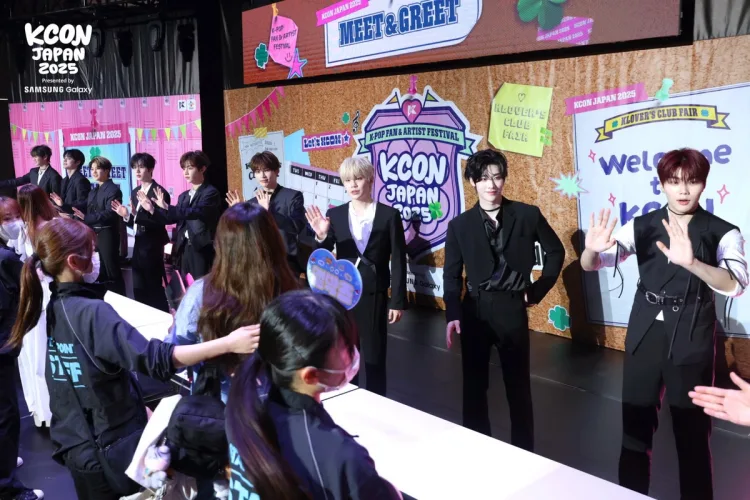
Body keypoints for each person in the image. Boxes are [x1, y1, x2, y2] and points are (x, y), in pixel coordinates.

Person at [6, 217, 260, 500]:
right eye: (92, 250)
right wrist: (228, 343)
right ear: (74, 262)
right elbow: (158, 361)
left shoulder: (58, 305)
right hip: (104, 448)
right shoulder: (91, 313)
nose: (97, 256)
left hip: (78, 443)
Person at [580, 148, 748, 499]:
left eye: (692, 181)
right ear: (662, 184)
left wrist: (693, 264)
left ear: (704, 184)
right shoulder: (642, 224)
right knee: (634, 430)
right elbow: (594, 263)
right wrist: (591, 250)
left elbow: (736, 284)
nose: (683, 190)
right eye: (674, 181)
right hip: (645, 332)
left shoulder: (723, 231)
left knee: (692, 437)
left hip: (692, 334)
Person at [226, 290, 402, 500]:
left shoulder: (241, 403)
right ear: (310, 375)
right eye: (346, 347)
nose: (354, 353)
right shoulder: (340, 456)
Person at [443, 149, 564, 452]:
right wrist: (453, 313)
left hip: (513, 307)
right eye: (484, 178)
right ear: (473, 181)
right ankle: (477, 450)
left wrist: (536, 291)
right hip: (475, 309)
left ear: (504, 178)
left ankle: (525, 453)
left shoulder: (527, 214)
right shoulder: (459, 225)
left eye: (497, 177)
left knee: (518, 386)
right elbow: (451, 275)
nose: (491, 184)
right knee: (474, 386)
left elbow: (556, 251)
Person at [169, 201, 300, 402]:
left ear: (222, 245)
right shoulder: (292, 291)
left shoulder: (201, 293)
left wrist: (177, 329)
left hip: (219, 409)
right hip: (278, 408)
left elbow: (171, 359)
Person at [305, 157, 406, 397]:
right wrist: (321, 236)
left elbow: (399, 260)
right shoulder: (336, 214)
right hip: (343, 294)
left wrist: (397, 301)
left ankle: (377, 402)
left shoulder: (389, 215)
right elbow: (323, 254)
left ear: (370, 179)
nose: (353, 184)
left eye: (358, 178)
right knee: (346, 353)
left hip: (374, 293)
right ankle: (348, 398)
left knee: (374, 355)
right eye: (347, 180)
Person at [0, 197, 44, 500]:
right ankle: (8, 488)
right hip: (2, 346)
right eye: (7, 218)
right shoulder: (5, 259)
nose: (15, 222)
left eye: (17, 215)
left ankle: (3, 460)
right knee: (6, 415)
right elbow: (28, 288)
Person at [16, 185, 58, 428]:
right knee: (32, 354)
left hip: (45, 297)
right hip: (33, 295)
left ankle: (48, 411)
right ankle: (41, 410)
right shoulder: (25, 228)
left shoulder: (48, 227)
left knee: (41, 354)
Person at [226, 151, 307, 276]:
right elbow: (247, 234)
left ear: (276, 171)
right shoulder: (252, 202)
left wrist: (269, 212)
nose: (262, 175)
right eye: (258, 171)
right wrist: (239, 214)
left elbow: (297, 226)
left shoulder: (292, 196)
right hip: (259, 262)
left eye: (266, 170)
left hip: (286, 261)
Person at [148, 151, 221, 281]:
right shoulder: (184, 196)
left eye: (190, 168)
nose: (186, 172)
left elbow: (195, 212)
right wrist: (152, 209)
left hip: (200, 248)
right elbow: (173, 217)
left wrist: (167, 207)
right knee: (184, 285)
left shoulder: (210, 193)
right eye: (184, 168)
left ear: (202, 169)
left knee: (200, 285)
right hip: (183, 247)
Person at [111, 153, 171, 311]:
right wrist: (126, 216)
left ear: (150, 169)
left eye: (141, 167)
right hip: (138, 244)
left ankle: (162, 318)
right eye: (134, 167)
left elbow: (161, 221)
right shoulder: (135, 191)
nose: (137, 171)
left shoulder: (159, 192)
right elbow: (136, 223)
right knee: (138, 289)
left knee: (153, 288)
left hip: (152, 245)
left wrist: (141, 214)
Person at [71, 156, 125, 295]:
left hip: (107, 234)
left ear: (106, 171)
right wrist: (64, 206)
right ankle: (105, 297)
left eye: (97, 169)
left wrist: (87, 218)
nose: (93, 172)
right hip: (95, 233)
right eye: (92, 169)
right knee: (101, 269)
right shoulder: (94, 190)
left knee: (111, 269)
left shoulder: (113, 190)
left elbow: (110, 213)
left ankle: (120, 298)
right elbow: (84, 205)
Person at [50, 149, 91, 216]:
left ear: (77, 162)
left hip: (75, 217)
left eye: (69, 158)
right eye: (64, 158)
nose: (65, 160)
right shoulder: (64, 180)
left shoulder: (81, 180)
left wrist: (64, 207)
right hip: (64, 215)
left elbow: (82, 203)